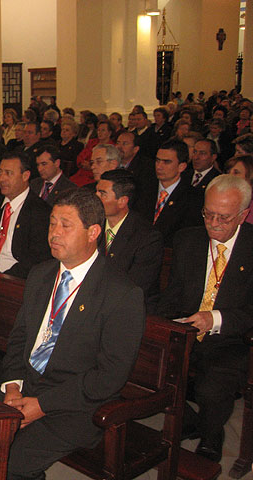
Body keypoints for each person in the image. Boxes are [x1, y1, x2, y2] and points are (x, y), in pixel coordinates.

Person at [0, 188, 145, 480]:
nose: (54, 233)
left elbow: (110, 376)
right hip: (26, 385)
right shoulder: (41, 273)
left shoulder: (121, 293)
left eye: (66, 225)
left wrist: (43, 405)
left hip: (76, 403)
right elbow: (19, 338)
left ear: (93, 232)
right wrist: (12, 386)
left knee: (11, 463)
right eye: (52, 223)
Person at [157, 175, 253, 462]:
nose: (213, 223)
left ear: (243, 215)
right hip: (186, 330)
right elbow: (172, 296)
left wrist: (216, 319)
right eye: (208, 214)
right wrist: (161, 325)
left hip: (230, 338)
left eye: (223, 217)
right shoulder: (188, 240)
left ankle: (212, 435)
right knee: (146, 365)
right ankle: (190, 423)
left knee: (212, 389)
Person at [96, 169, 163, 309]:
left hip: (127, 308)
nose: (95, 197)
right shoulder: (93, 225)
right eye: (96, 191)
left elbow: (135, 287)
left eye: (102, 194)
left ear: (122, 201)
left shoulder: (147, 237)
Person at [0, 153, 51, 279]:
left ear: (25, 176)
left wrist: (3, 277)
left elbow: (37, 259)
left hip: (14, 278)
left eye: (8, 173)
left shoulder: (40, 211)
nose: (1, 179)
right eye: (0, 173)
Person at [134, 139, 203, 246]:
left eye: (166, 162)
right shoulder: (142, 189)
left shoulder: (193, 198)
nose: (159, 166)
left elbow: (187, 236)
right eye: (157, 160)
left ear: (182, 166)